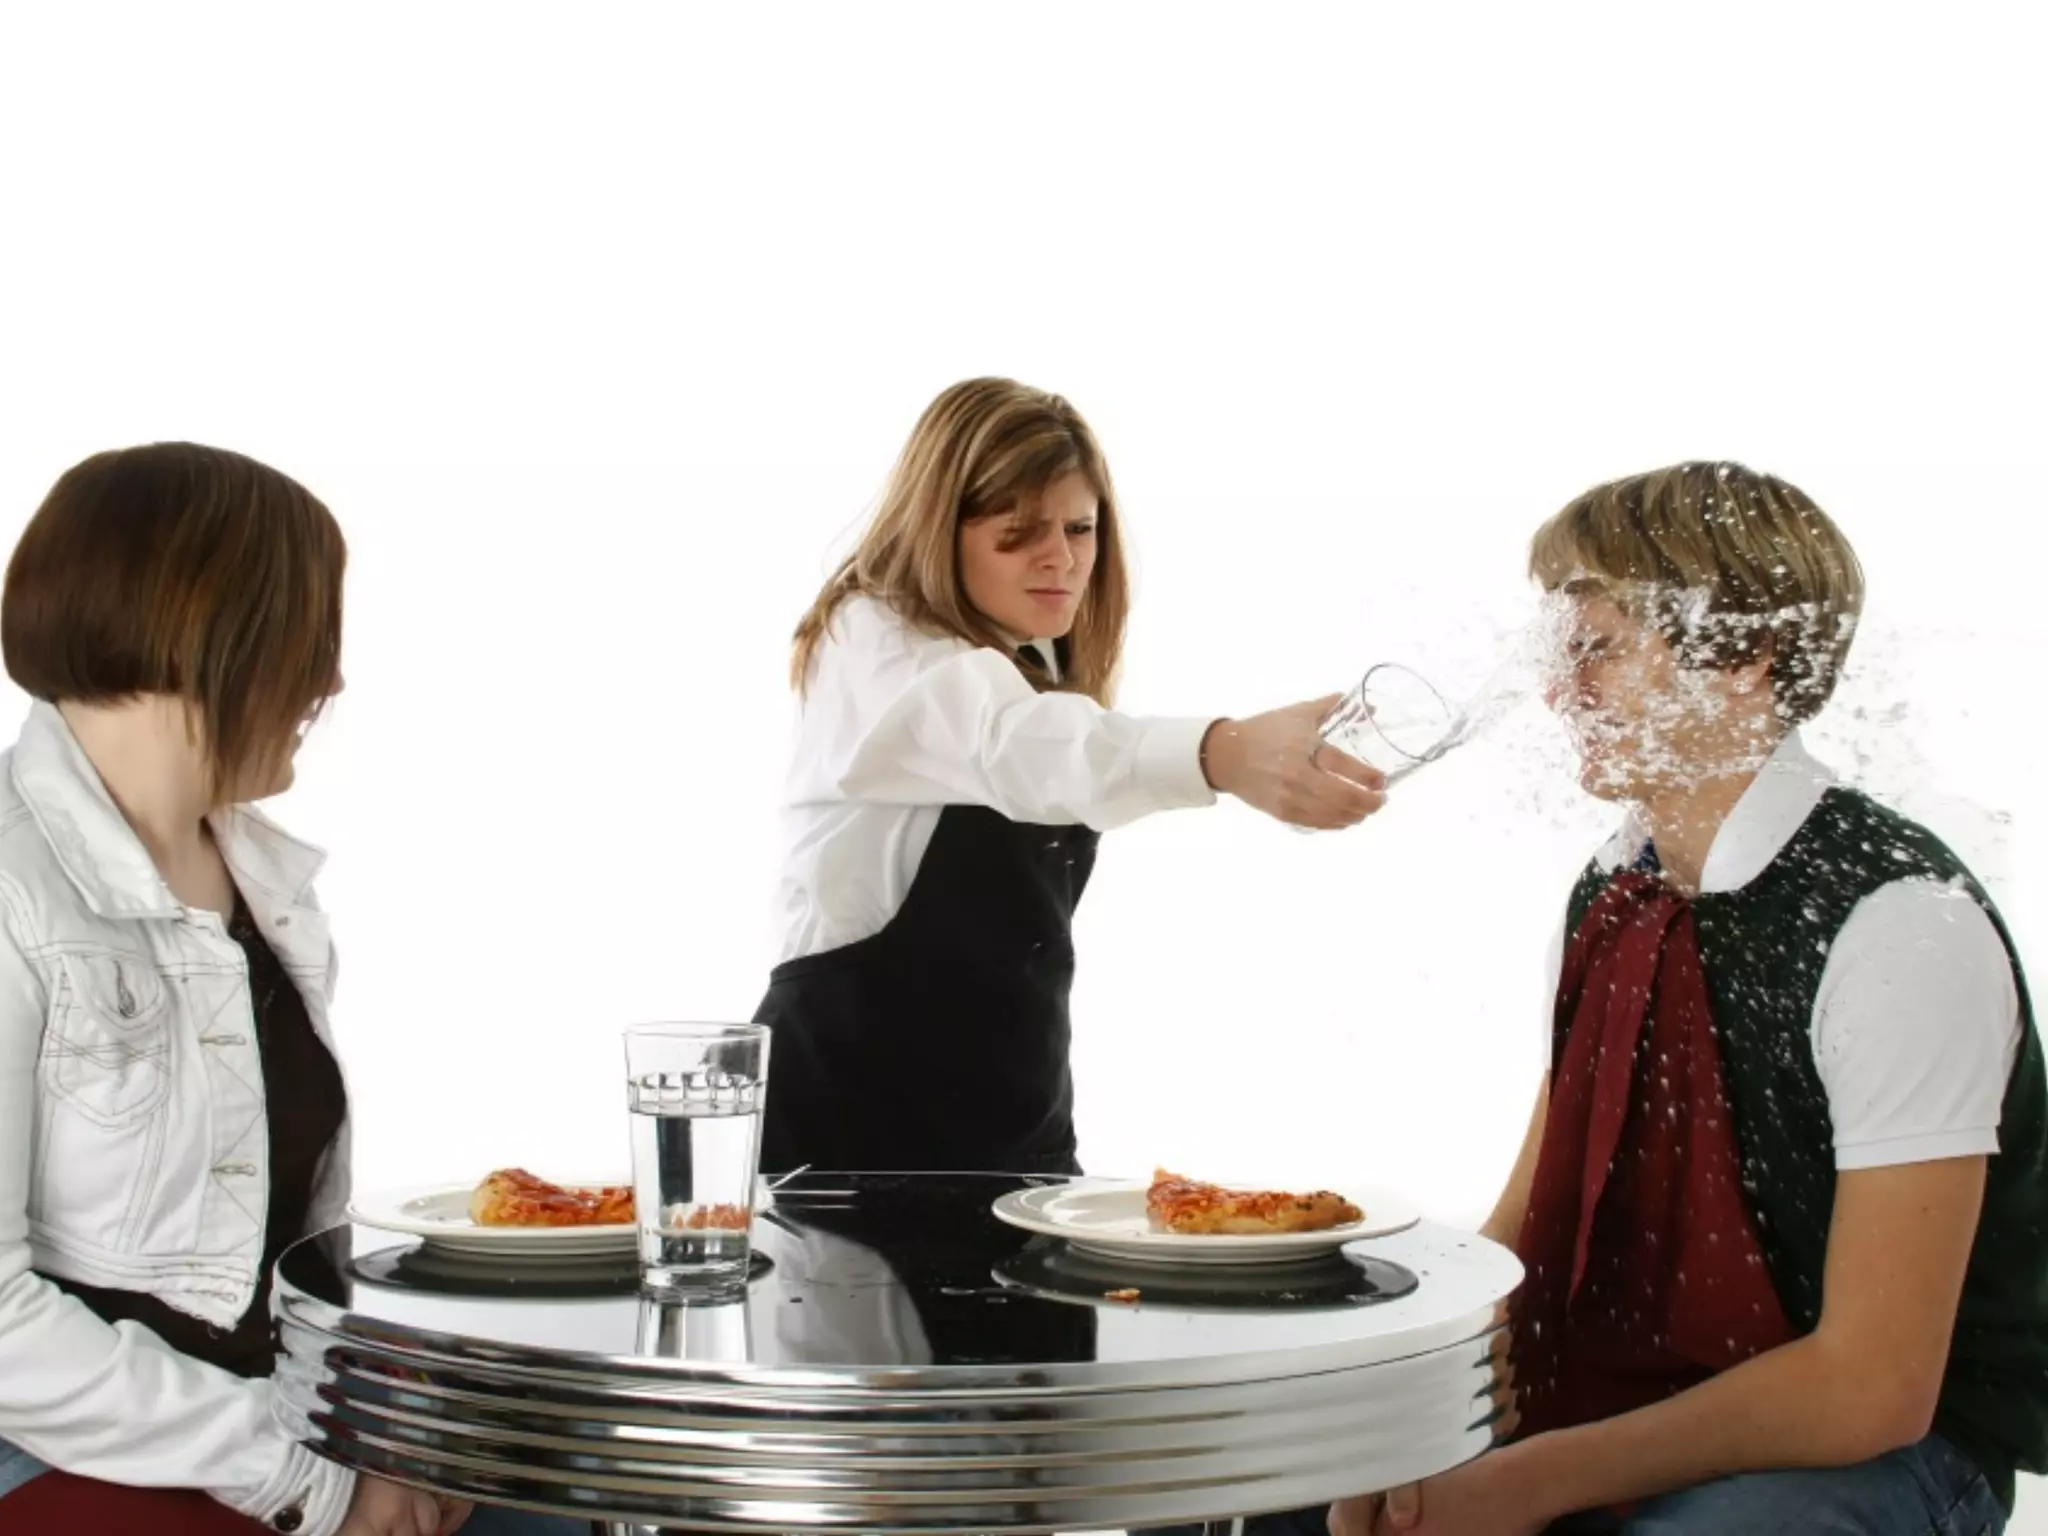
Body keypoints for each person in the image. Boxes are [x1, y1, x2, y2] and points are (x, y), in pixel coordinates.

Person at [1332, 462, 2047, 1535]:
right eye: (1558, 650)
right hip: (1629, 1401)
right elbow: (1520, 1229)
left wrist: (1525, 1483)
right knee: (1244, 1484)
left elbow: (1873, 1388)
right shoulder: (1615, 890)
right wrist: (1390, 1429)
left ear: (1747, 656)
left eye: (1597, 647)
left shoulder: (1898, 926)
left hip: (1892, 1451)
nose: (1558, 692)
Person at [0, 445, 584, 1536]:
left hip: (258, 1408)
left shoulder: (263, 882)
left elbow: (277, 1251)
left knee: (573, 1501)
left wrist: (406, 1424)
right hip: (56, 1448)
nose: (331, 681)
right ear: (210, 634)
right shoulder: (11, 890)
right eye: (310, 634)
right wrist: (311, 1477)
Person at [754, 377, 1386, 1178]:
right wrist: (1222, 752)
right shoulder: (873, 638)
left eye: (1081, 528)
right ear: (937, 529)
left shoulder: (1029, 659)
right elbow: (1018, 748)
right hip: (845, 1144)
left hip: (1013, 1139)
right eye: (1018, 533)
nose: (1061, 558)